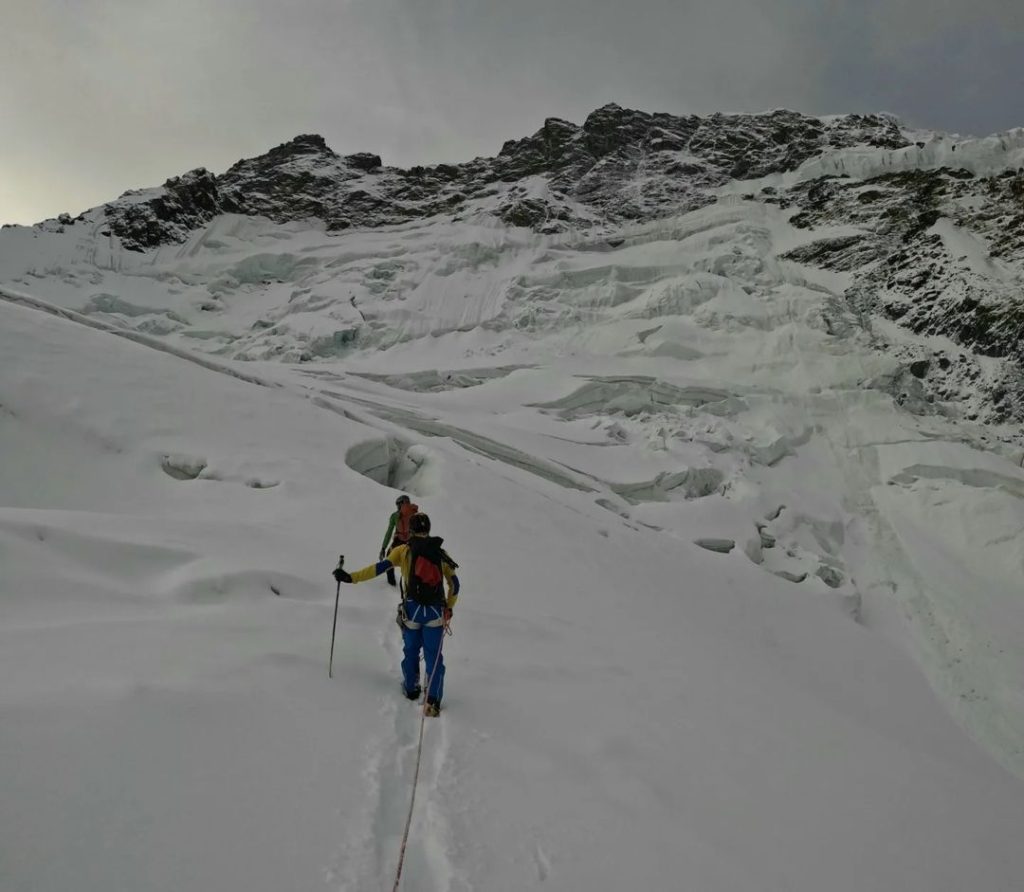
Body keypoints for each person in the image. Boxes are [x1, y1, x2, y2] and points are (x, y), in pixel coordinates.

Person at [334, 513, 459, 715]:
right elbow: (455, 584)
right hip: (435, 613)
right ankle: (433, 701)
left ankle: (411, 688)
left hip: (412, 611)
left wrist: (351, 577)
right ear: (428, 529)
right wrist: (449, 607)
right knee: (434, 656)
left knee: (411, 651)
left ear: (410, 530)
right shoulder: (439, 553)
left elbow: (379, 568)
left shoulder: (403, 551)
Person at [380, 494, 419, 587]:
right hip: (412, 541)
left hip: (398, 541)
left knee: (389, 558)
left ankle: (391, 583)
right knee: (413, 563)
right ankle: (413, 585)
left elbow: (389, 532)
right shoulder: (414, 513)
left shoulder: (394, 516)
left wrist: (383, 547)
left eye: (398, 504)